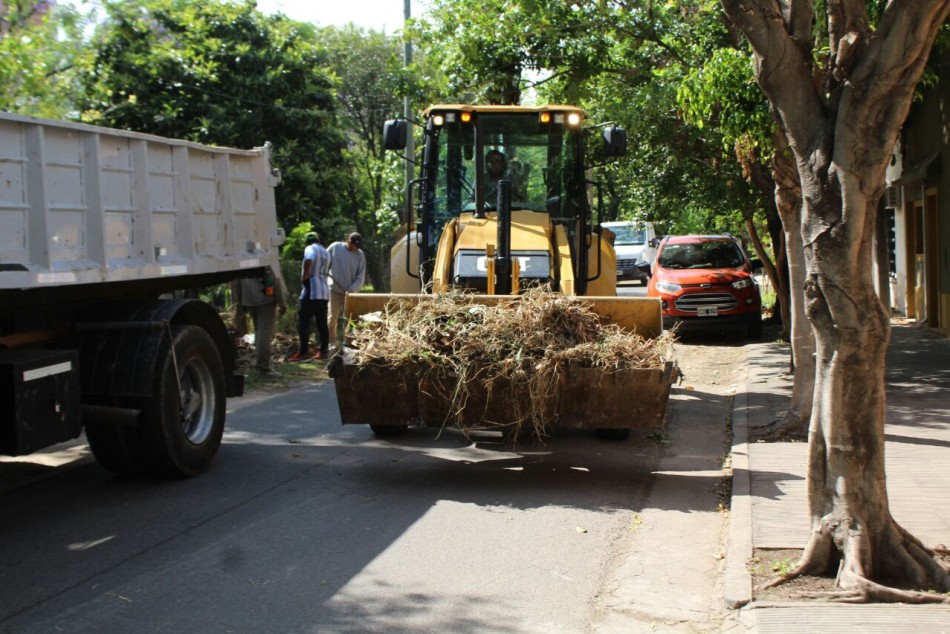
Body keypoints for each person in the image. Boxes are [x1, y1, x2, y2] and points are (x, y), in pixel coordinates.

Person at [236, 265, 287, 376]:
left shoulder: (243, 257)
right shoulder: (265, 256)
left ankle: (259, 363)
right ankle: (263, 367)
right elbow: (274, 280)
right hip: (265, 298)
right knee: (264, 333)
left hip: (248, 299)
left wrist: (240, 301)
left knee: (259, 332)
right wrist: (281, 303)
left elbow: (238, 281)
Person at [288, 231, 330, 362]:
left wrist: (305, 274)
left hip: (312, 290)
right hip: (324, 291)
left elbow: (308, 258)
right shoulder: (326, 252)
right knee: (322, 323)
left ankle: (303, 352)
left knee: (303, 321)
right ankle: (324, 351)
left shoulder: (310, 248)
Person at [327, 232, 366, 344]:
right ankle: (331, 343)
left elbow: (360, 276)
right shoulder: (335, 247)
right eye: (355, 246)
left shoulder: (360, 255)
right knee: (331, 319)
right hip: (334, 290)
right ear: (349, 242)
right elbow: (325, 263)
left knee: (350, 319)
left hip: (350, 293)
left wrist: (352, 289)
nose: (356, 249)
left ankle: (347, 343)